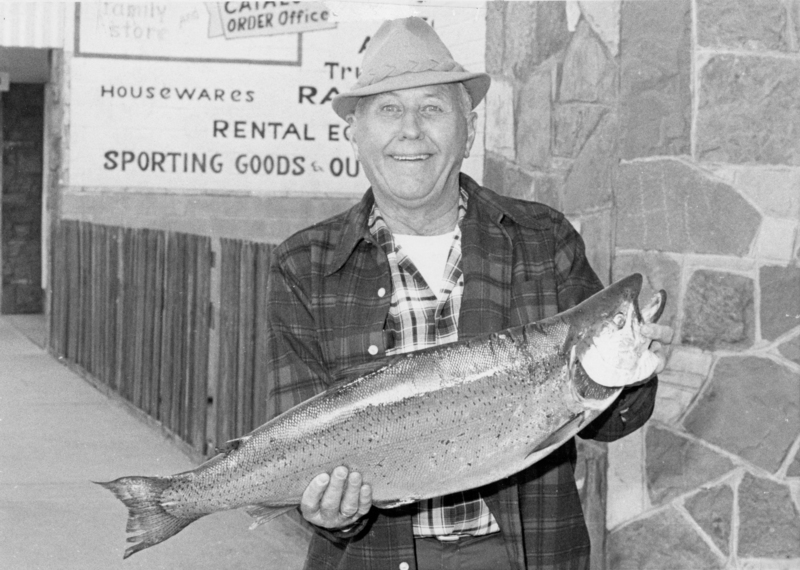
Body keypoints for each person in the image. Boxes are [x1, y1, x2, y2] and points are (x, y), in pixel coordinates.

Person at [265, 17, 673, 570]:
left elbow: (609, 419)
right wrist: (327, 510)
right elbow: (297, 442)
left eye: (432, 108)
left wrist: (638, 369)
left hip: (526, 555)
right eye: (388, 109)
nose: (411, 130)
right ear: (354, 133)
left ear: (468, 129)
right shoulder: (303, 264)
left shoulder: (543, 239)